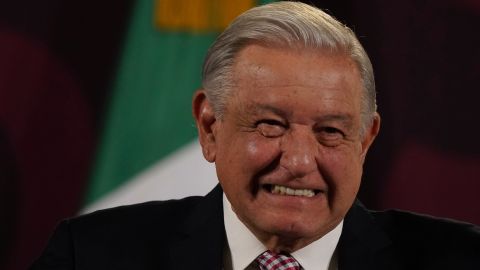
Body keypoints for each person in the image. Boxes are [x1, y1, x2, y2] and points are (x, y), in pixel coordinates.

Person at [31, 2, 480, 269]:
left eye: (329, 131)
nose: (301, 161)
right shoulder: (89, 257)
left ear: (365, 140)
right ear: (209, 126)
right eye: (271, 125)